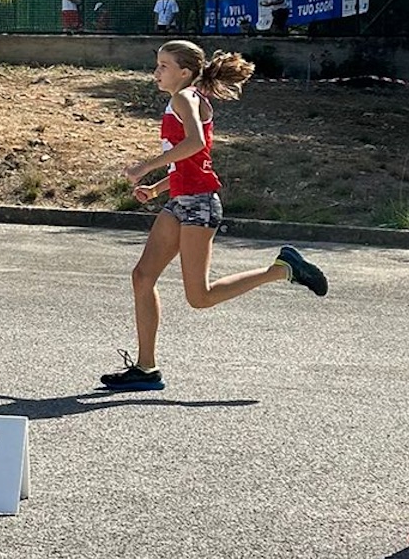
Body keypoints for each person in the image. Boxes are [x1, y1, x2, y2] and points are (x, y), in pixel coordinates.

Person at [100, 40, 328, 392]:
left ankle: (282, 270)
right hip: (182, 200)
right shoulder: (189, 99)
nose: (156, 72)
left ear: (185, 72)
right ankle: (146, 369)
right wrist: (158, 189)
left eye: (164, 65)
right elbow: (189, 164)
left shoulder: (184, 98)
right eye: (157, 64)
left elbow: (195, 145)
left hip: (199, 204)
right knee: (142, 276)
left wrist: (145, 167)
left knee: (200, 297)